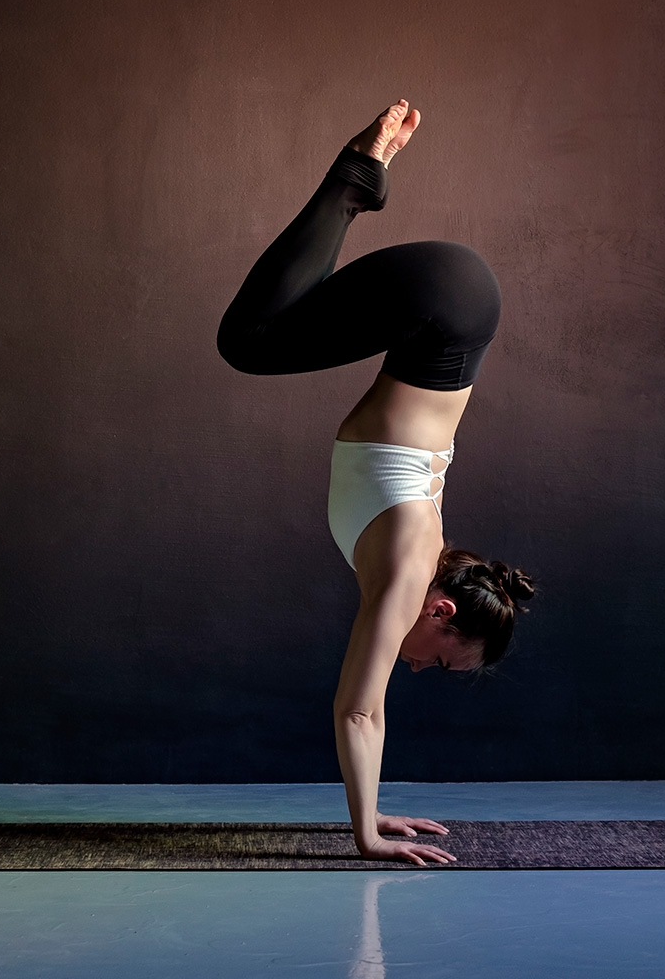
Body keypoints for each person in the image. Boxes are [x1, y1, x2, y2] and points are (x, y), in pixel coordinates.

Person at [217, 100, 536, 865]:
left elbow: (367, 706)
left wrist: (375, 809)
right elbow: (359, 713)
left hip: (451, 309)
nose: (419, 664)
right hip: (443, 309)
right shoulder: (404, 568)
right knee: (249, 341)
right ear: (441, 609)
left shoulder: (420, 548)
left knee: (274, 327)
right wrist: (366, 834)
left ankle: (363, 173)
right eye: (440, 656)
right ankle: (357, 178)